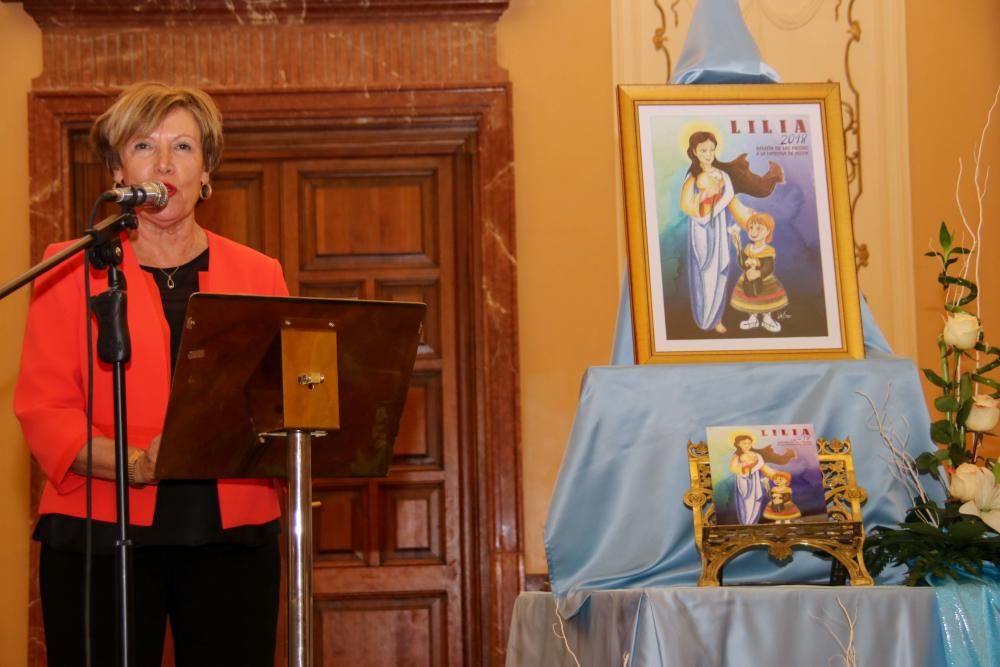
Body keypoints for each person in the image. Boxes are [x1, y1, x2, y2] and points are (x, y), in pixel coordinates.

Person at [14, 82, 287, 666]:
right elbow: (46, 412)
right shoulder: (68, 269)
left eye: (184, 147)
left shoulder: (259, 274)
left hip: (232, 532)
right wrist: (136, 463)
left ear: (207, 171)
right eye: (144, 146)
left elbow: (280, 399)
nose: (164, 164)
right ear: (117, 170)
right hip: (98, 529)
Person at [678, 131, 783, 333]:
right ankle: (702, 319)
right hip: (701, 230)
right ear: (694, 152)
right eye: (703, 150)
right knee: (703, 274)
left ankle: (716, 318)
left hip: (719, 229)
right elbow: (687, 205)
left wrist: (752, 221)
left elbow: (732, 202)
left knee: (720, 272)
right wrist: (704, 198)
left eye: (711, 149)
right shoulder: (692, 177)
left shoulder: (724, 175)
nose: (708, 154)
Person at [729, 212, 789, 332]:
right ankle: (753, 318)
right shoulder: (748, 248)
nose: (753, 231)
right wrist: (738, 249)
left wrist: (758, 270)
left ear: (768, 231)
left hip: (765, 281)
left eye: (758, 228)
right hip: (748, 280)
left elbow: (769, 266)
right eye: (751, 228)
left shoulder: (768, 250)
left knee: (765, 299)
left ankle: (767, 318)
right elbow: (743, 263)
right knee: (750, 299)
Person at [727, 433, 796, 525]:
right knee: (746, 503)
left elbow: (765, 469)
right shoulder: (737, 456)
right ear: (738, 445)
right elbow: (733, 469)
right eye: (744, 443)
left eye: (749, 443)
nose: (747, 445)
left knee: (756, 501)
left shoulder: (757, 456)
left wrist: (779, 476)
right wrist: (746, 467)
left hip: (755, 483)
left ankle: (753, 524)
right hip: (743, 482)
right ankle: (746, 524)